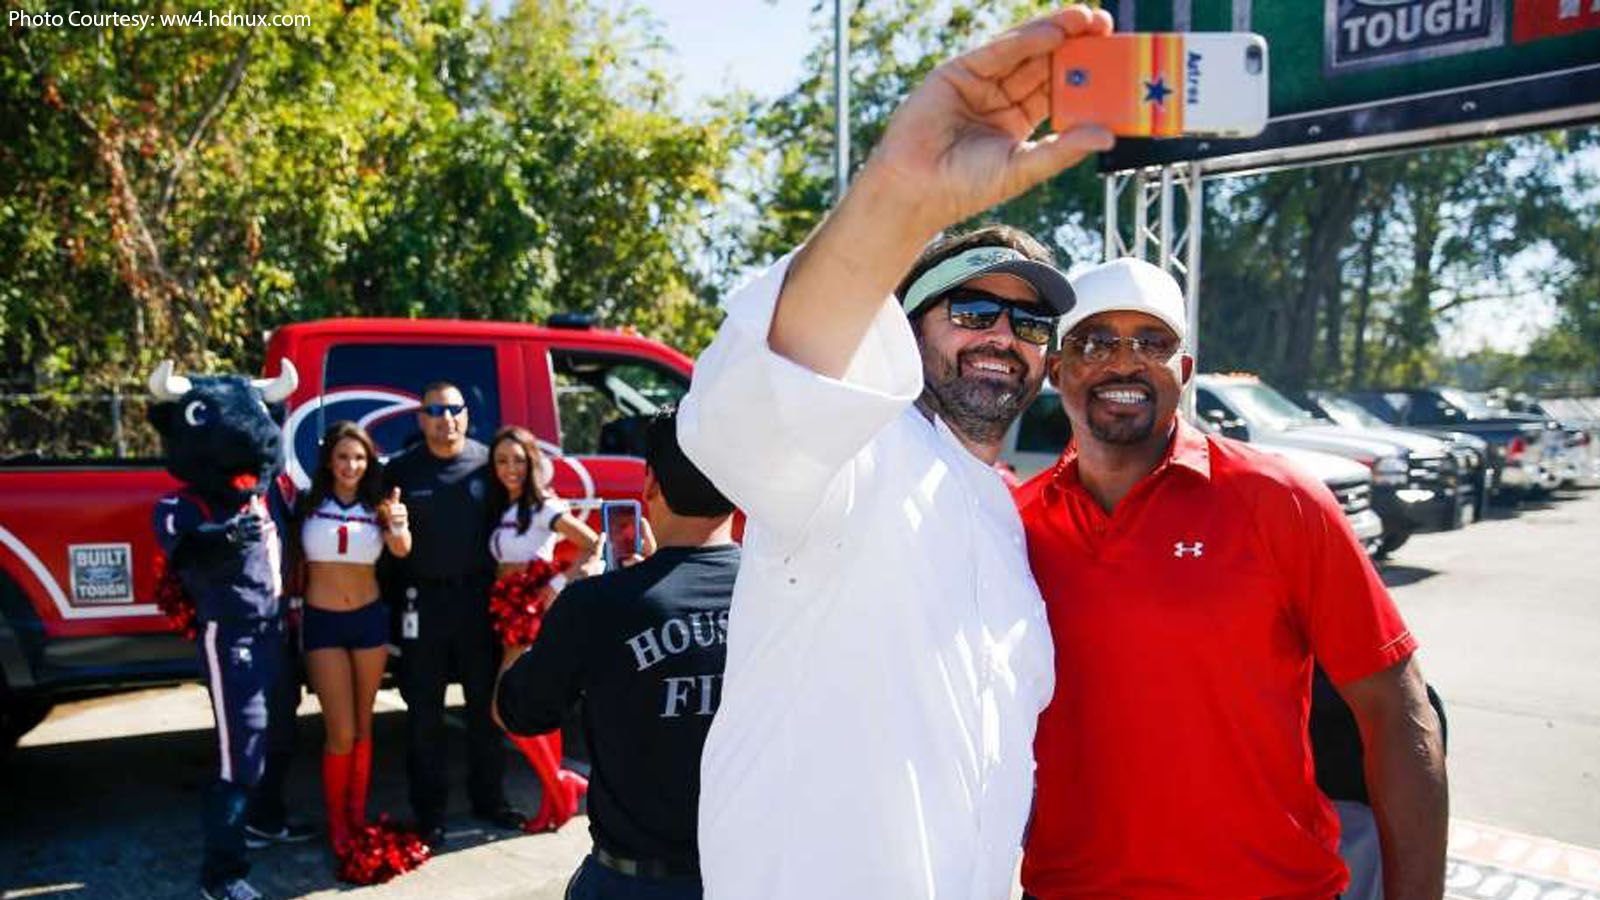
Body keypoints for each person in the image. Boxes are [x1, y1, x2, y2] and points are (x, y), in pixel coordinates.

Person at [675, 8, 1117, 896]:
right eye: (971, 310)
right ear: (902, 329)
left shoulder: (1004, 525)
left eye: (1029, 321)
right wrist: (903, 197)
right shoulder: (856, 461)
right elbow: (758, 402)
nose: (1002, 334)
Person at [1014, 258, 1449, 899]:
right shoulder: (1017, 525)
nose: (1124, 361)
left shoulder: (1280, 499)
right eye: (1095, 341)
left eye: (1152, 342)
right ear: (1058, 370)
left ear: (1183, 372)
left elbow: (1399, 710)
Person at [497, 408, 738, 900]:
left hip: (636, 881)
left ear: (649, 485)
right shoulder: (787, 592)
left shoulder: (596, 603)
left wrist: (571, 605)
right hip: (756, 871)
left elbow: (518, 711)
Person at [383, 381, 524, 845]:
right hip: (421, 606)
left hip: (479, 605)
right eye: (435, 410)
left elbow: (525, 517)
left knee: (487, 710)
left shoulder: (489, 462)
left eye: (455, 409)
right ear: (421, 418)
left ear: (467, 415)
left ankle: (490, 800)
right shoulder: (402, 470)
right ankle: (430, 813)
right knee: (424, 715)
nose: (446, 418)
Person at [292, 422, 413, 853]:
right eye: (343, 457)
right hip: (323, 622)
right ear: (329, 460)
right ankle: (338, 823)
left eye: (359, 457)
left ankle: (357, 817)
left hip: (368, 621)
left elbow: (402, 551)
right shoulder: (307, 504)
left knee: (364, 727)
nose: (351, 465)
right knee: (339, 730)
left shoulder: (380, 506)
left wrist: (398, 525)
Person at [486, 424, 601, 833]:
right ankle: (554, 801)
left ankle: (561, 785)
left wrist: (552, 587)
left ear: (532, 461)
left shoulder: (544, 507)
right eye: (501, 460)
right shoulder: (508, 505)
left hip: (529, 615)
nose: (510, 468)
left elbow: (593, 543)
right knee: (533, 712)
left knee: (504, 711)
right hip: (508, 611)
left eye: (518, 460)